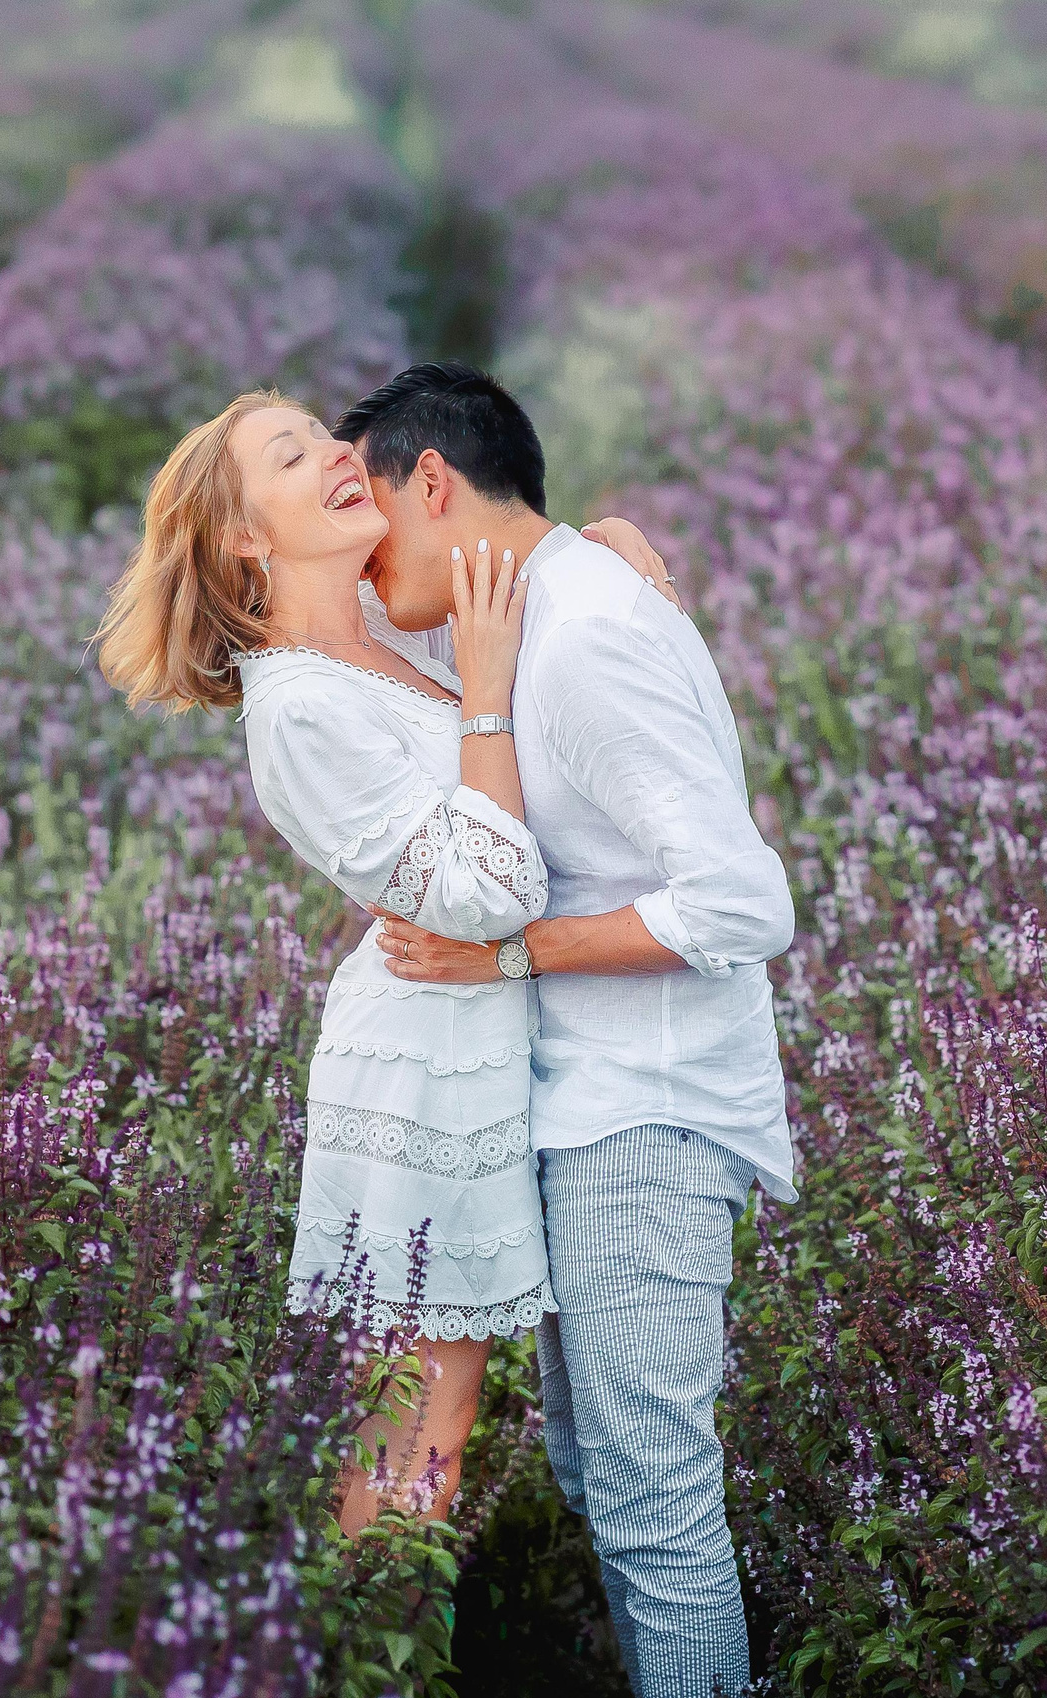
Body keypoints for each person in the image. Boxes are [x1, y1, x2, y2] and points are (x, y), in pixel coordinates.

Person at [93, 389, 668, 1535]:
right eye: (291, 454)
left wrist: (602, 551)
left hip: (484, 1041)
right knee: (423, 1431)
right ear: (244, 539)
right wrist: (490, 694)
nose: (339, 456)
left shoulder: (380, 636)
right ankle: (369, 1661)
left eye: (326, 436)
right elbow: (489, 894)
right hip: (423, 1070)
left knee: (444, 1421)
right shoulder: (299, 711)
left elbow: (512, 577)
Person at [338, 361, 796, 1698]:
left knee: (654, 1497)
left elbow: (741, 896)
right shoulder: (526, 604)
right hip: (586, 1106)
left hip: (646, 1112)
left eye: (369, 516)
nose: (366, 564)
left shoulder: (586, 631)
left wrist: (510, 950)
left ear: (433, 482)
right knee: (615, 1479)